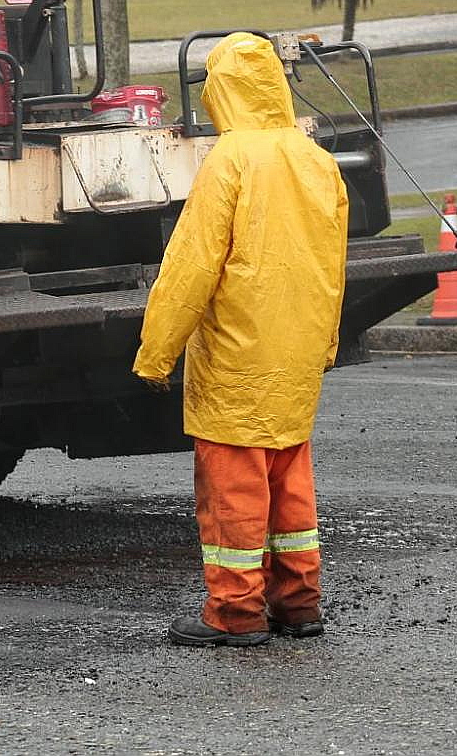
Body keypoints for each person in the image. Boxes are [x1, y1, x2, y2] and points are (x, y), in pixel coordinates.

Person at [134, 31, 350, 648]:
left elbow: (191, 267)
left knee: (234, 494)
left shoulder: (230, 160)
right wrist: (325, 343)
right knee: (290, 487)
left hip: (236, 357)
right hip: (295, 354)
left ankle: (234, 613)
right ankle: (299, 603)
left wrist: (156, 353)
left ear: (223, 91)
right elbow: (333, 268)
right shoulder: (317, 160)